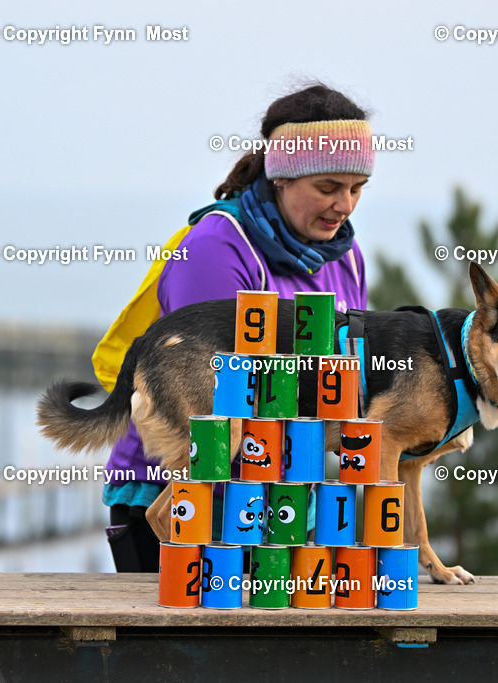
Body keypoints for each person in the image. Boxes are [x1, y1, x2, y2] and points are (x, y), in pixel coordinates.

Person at [103, 83, 373, 572]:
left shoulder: (347, 258)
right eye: (328, 188)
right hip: (178, 489)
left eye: (357, 188)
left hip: (283, 491)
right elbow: (203, 388)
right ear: (281, 178)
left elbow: (343, 380)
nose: (345, 206)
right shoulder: (216, 248)